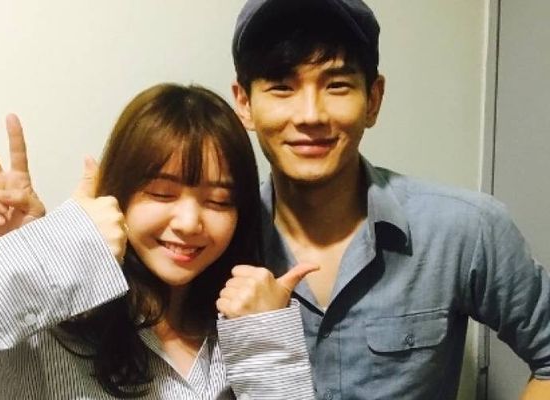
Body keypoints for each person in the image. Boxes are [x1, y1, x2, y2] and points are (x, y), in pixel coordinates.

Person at [228, 0, 550, 399]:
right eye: (282, 86)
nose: (310, 115)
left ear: (374, 99)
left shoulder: (463, 229)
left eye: (337, 85)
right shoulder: (219, 243)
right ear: (244, 103)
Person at [0, 83, 316, 399]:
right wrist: (43, 255)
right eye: (162, 193)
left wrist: (265, 341)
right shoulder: (51, 338)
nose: (190, 223)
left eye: (218, 201)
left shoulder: (243, 330)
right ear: (118, 193)